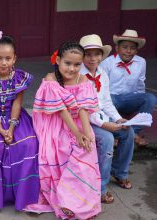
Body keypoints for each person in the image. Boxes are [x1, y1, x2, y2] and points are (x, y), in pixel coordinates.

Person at [26, 41, 101, 219]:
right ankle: (66, 202)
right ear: (58, 60)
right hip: (56, 123)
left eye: (77, 64)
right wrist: (76, 134)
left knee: (86, 149)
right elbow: (61, 110)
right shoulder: (51, 79)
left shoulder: (83, 80)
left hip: (78, 123)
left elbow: (83, 108)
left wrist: (86, 133)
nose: (72, 68)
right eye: (67, 63)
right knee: (61, 147)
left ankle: (82, 202)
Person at [0, 30, 39, 211]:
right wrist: (0, 129)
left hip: (16, 118)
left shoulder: (19, 77)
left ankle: (22, 196)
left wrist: (11, 129)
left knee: (28, 144)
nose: (3, 63)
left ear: (14, 59)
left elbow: (17, 104)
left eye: (7, 58)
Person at [79, 34, 135, 204]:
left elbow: (107, 102)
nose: (93, 58)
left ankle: (119, 172)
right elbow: (84, 108)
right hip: (85, 120)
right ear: (81, 56)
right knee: (107, 138)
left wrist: (118, 119)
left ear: (102, 56)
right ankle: (101, 188)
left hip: (102, 117)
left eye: (97, 54)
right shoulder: (78, 75)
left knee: (128, 132)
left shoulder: (102, 73)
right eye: (88, 54)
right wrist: (105, 125)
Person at [100, 29, 157, 147]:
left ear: (137, 50)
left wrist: (139, 99)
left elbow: (140, 85)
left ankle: (134, 133)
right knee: (108, 100)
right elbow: (102, 89)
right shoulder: (107, 63)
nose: (129, 51)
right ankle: (116, 135)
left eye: (133, 48)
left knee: (150, 98)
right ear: (117, 48)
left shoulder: (141, 62)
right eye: (125, 47)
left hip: (130, 99)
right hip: (112, 99)